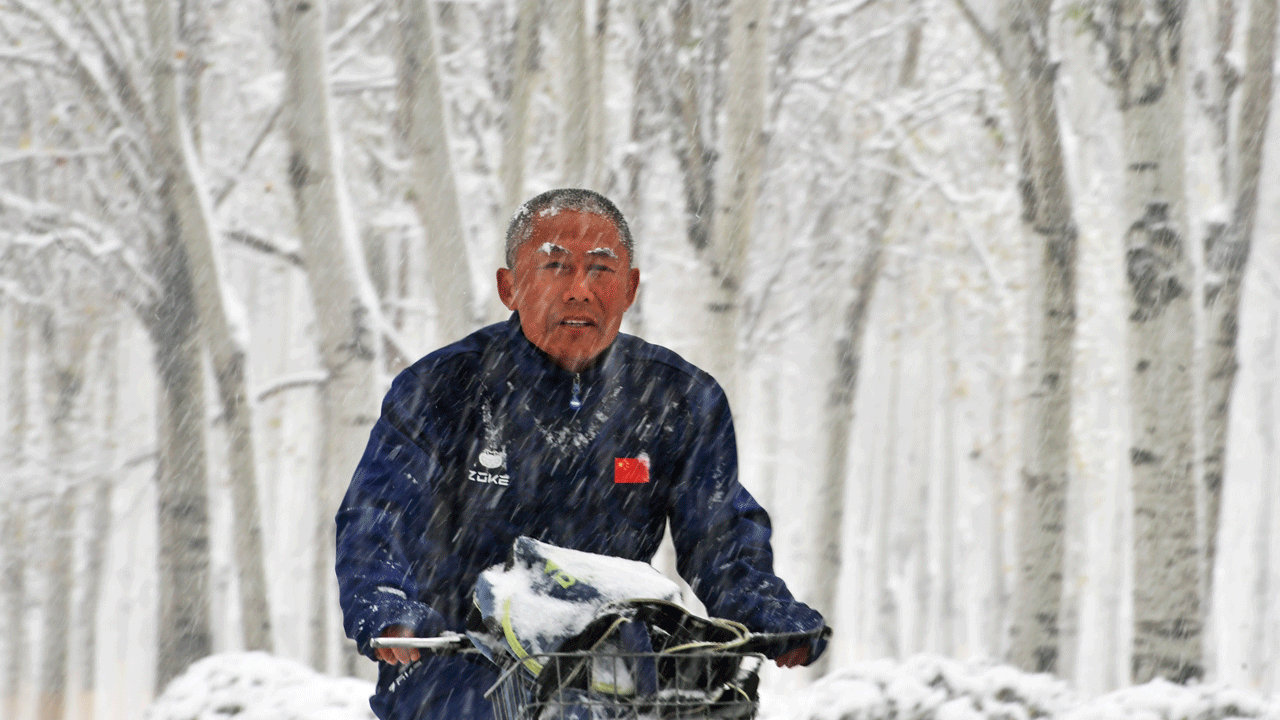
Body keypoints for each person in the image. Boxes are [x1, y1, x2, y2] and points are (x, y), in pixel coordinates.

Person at [335, 189, 827, 720]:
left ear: (631, 287)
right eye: (554, 266)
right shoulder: (439, 388)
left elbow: (720, 536)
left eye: (601, 269)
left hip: (615, 670)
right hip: (457, 671)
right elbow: (376, 518)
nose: (579, 290)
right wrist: (386, 607)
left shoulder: (680, 398)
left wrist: (763, 607)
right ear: (509, 287)